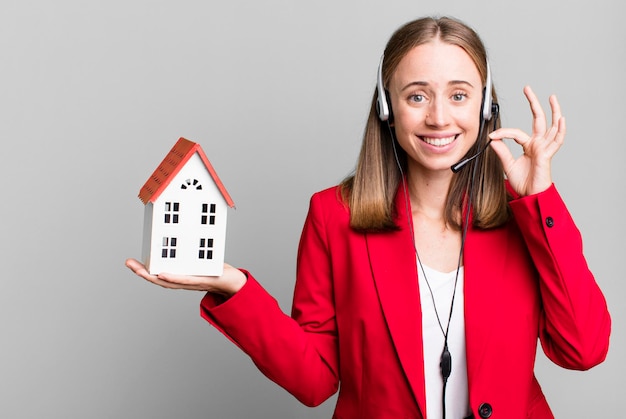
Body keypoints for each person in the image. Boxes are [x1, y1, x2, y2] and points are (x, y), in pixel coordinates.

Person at [126, 16, 611, 419]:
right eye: (417, 96)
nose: (440, 117)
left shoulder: (522, 218)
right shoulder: (332, 217)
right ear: (387, 108)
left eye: (459, 95)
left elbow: (583, 350)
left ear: (485, 107)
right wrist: (234, 287)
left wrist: (539, 202)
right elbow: (315, 380)